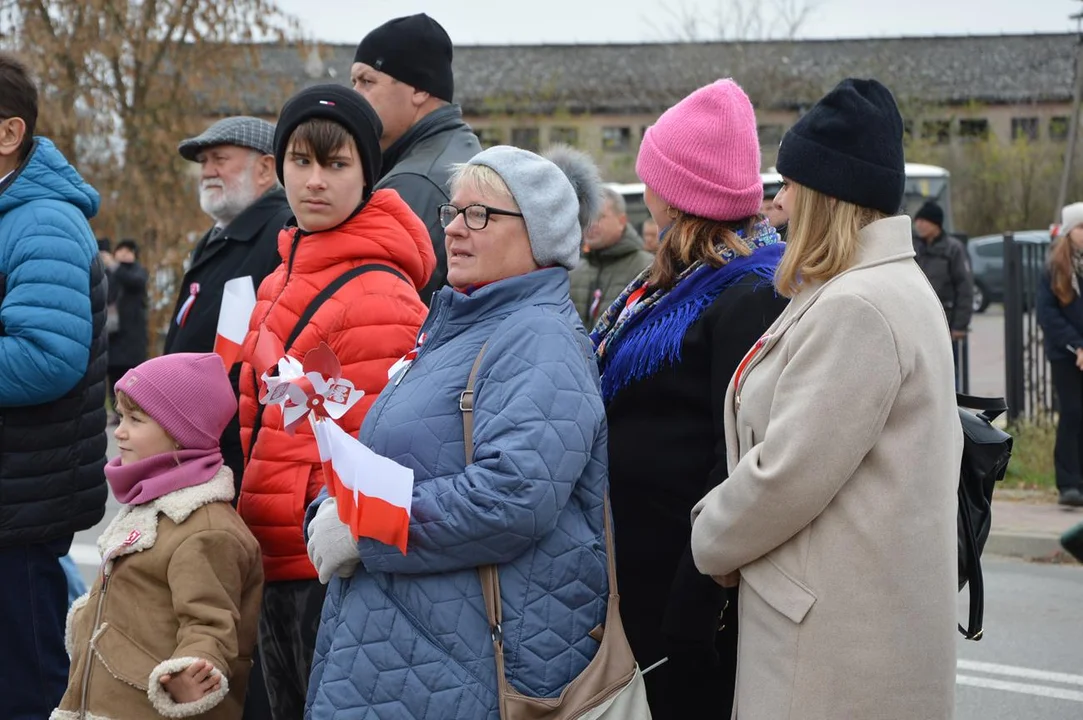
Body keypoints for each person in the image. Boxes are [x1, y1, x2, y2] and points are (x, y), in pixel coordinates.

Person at [303, 145, 609, 719]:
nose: (456, 230)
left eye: (481, 215)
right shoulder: (462, 328)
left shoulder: (538, 339)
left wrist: (366, 526)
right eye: (453, 213)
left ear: (538, 237)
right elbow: (401, 456)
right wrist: (332, 503)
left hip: (456, 665)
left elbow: (513, 495)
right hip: (412, 653)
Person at [690, 78, 962, 720]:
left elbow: (788, 474)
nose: (777, 202)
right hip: (849, 625)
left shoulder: (859, 306)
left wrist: (709, 533)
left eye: (789, 186)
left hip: (830, 652)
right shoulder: (872, 287)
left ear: (825, 197)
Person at [590, 79, 788, 719]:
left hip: (682, 587)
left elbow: (730, 457)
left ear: (676, 191)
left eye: (652, 175)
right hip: (637, 568)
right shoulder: (673, 282)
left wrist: (691, 612)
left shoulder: (745, 294)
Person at [236, 84, 434, 720]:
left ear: (366, 174)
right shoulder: (279, 275)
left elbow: (385, 449)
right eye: (300, 161)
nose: (314, 181)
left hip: (330, 566)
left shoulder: (382, 293)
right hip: (274, 555)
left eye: (336, 164)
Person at [53, 353, 264, 720]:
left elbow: (211, 623)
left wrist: (194, 669)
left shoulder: (205, 529)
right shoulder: (151, 508)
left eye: (135, 419)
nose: (118, 431)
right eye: (120, 417)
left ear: (182, 436)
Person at [0, 51, 109, 720]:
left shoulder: (42, 221)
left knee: (27, 689)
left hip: (19, 508)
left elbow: (48, 356)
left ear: (8, 132)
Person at [167, 116, 293, 493]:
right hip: (195, 440)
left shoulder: (281, 233)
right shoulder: (220, 234)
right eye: (203, 162)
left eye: (220, 158)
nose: (207, 171)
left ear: (266, 167)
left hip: (231, 449)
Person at [351, 12, 482, 303]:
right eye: (354, 82)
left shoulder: (414, 183)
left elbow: (376, 303)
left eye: (367, 81)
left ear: (420, 89)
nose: (355, 95)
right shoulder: (453, 149)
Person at [1036, 202, 1083, 508]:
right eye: (1081, 227)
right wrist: (1076, 346)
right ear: (1069, 232)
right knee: (1073, 412)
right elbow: (1047, 313)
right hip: (1067, 355)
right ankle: (1069, 482)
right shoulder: (1055, 266)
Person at [570, 186, 654, 328]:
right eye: (586, 217)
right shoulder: (573, 270)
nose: (591, 224)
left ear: (621, 221)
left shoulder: (646, 268)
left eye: (599, 217)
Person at [913, 199, 972, 345]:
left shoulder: (953, 249)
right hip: (916, 322)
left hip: (944, 322)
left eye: (923, 221)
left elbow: (964, 287)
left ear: (936, 224)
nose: (918, 225)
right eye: (917, 221)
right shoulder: (912, 247)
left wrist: (960, 325)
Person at [103, 238, 148, 418]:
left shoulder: (138, 271)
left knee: (132, 376)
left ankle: (132, 412)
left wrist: (114, 266)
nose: (123, 253)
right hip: (112, 334)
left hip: (132, 336)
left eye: (128, 251)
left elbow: (135, 282)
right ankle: (116, 412)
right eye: (120, 250)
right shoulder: (108, 273)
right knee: (113, 375)